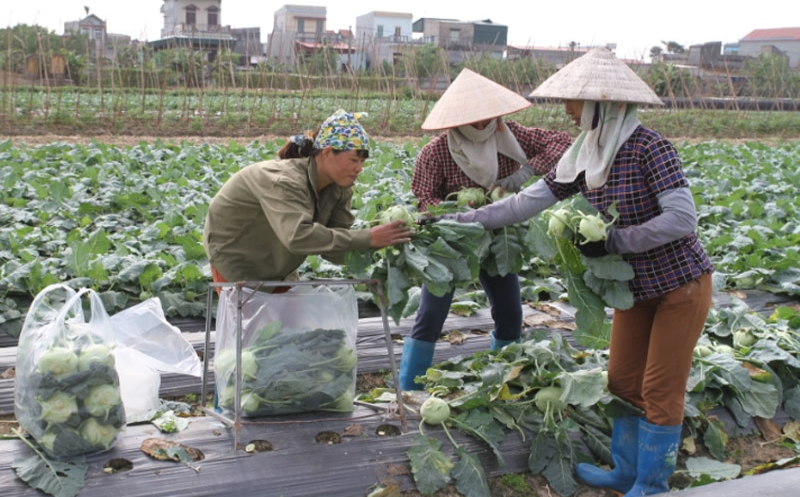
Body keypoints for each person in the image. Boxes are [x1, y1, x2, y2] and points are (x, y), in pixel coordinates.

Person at [440, 48, 714, 497]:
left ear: (601, 103)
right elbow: (527, 201)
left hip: (680, 286)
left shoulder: (651, 147)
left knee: (660, 388)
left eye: (573, 102)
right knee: (622, 381)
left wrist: (613, 242)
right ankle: (625, 471)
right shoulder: (585, 153)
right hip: (632, 288)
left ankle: (651, 482)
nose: (566, 111)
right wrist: (461, 220)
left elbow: (682, 219)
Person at [398, 68, 572, 391]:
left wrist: (523, 175)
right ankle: (409, 389)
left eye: (487, 117)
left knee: (510, 311)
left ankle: (504, 380)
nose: (482, 125)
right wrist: (460, 213)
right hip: (450, 244)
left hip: (497, 238)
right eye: (473, 119)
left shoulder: (509, 135)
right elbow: (424, 201)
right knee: (431, 315)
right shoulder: (436, 153)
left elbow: (563, 143)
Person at [202, 109, 414, 289]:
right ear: (328, 152)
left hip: (279, 263)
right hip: (236, 259)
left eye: (362, 162)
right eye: (354, 159)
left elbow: (334, 251)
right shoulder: (286, 181)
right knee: (252, 333)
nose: (359, 168)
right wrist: (367, 237)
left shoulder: (339, 187)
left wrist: (382, 242)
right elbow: (298, 237)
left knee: (289, 332)